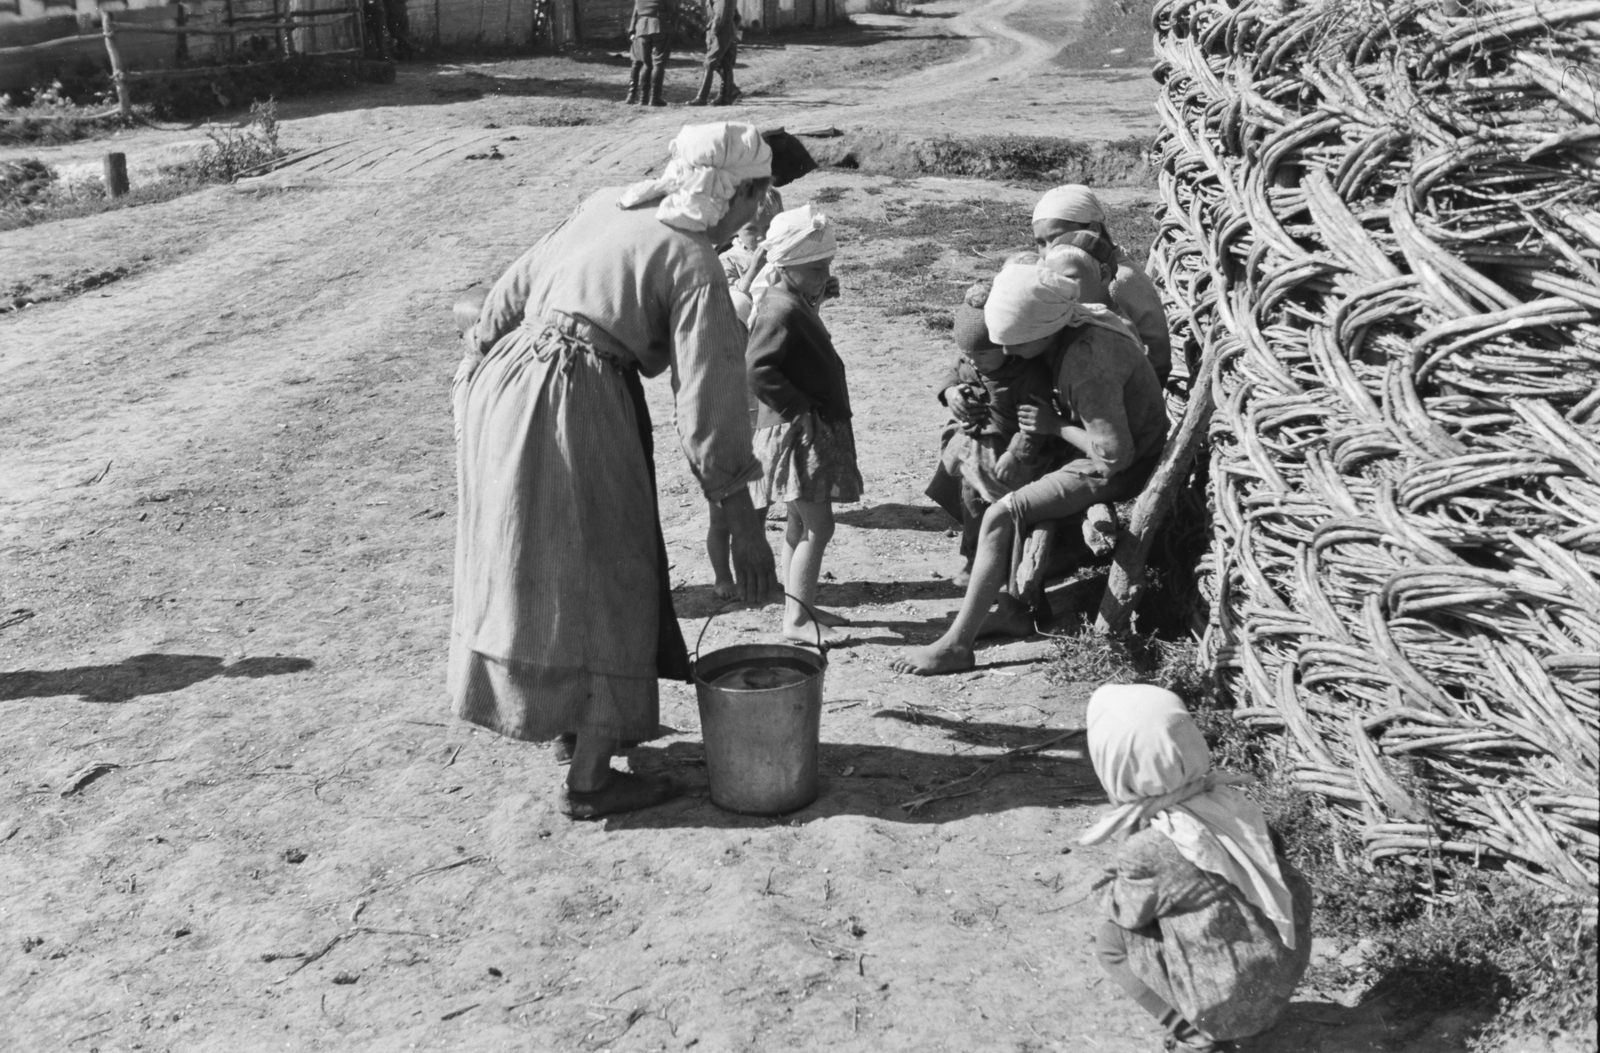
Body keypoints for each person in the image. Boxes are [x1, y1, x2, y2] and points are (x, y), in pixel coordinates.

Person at [451, 122, 780, 819]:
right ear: (731, 194)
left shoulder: (607, 203)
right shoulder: (692, 260)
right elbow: (712, 403)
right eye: (757, 198)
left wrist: (476, 362)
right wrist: (737, 514)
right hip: (576, 397)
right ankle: (592, 781)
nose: (760, 213)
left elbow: (513, 288)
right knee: (610, 572)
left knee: (546, 562)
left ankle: (572, 728)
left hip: (506, 384)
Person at [891, 251, 1167, 675]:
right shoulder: (1057, 328)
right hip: (1091, 442)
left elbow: (1115, 455)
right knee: (987, 472)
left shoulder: (1087, 363)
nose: (1004, 350)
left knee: (1004, 513)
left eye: (1010, 343)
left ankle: (956, 645)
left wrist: (1054, 427)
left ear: (1036, 332)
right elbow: (974, 360)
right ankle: (1012, 608)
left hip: (1122, 465)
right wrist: (955, 391)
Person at [1080, 684, 1313, 1051]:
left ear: (1115, 766)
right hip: (1277, 984)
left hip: (1225, 1006)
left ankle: (1195, 1034)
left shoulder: (1150, 848)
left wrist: (1121, 857)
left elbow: (1121, 907)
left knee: (1112, 941)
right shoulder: (1228, 803)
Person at [745, 203, 861, 646]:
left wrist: (818, 296)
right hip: (799, 432)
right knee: (819, 526)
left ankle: (801, 607)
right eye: (817, 267)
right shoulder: (779, 310)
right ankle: (795, 620)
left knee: (799, 520)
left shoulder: (790, 298)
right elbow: (757, 369)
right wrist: (797, 409)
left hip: (804, 427)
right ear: (789, 265)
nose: (825, 272)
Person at [936, 279, 1059, 586]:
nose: (973, 362)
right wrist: (951, 394)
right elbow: (953, 375)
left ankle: (1004, 564)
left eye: (982, 355)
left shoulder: (1027, 375)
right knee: (971, 507)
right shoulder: (971, 361)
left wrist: (1017, 453)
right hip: (974, 454)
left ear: (1006, 344)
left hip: (1009, 461)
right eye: (967, 354)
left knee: (1006, 513)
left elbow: (1036, 423)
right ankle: (973, 558)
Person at [1031, 184, 1172, 386]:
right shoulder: (1092, 265)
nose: (1047, 251)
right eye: (1041, 243)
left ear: (1094, 230)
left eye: (1055, 238)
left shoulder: (1114, 281)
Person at [689, 0, 739, 107]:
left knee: (709, 63)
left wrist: (713, 32)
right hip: (727, 29)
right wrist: (732, 29)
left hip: (719, 31)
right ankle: (725, 97)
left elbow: (720, 16)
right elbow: (737, 16)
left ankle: (701, 98)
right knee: (726, 64)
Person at [625, 0, 672, 106]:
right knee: (658, 62)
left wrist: (632, 30)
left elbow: (636, 10)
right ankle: (655, 98)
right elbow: (672, 9)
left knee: (646, 64)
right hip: (659, 25)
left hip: (642, 27)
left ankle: (643, 99)